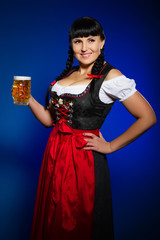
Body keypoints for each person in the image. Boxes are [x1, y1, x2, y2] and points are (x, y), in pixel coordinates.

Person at [28, 17, 157, 240]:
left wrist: (110, 146)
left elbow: (148, 117)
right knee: (52, 216)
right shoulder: (66, 75)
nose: (85, 47)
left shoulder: (110, 77)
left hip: (82, 161)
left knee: (77, 222)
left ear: (102, 42)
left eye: (91, 39)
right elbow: (50, 120)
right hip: (55, 155)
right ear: (71, 45)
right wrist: (27, 98)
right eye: (78, 41)